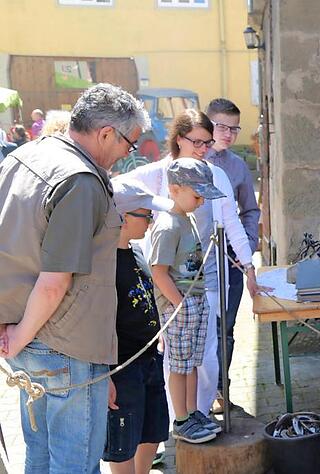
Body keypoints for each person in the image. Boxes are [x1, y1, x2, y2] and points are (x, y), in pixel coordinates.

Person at [0, 83, 148, 473]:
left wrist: (14, 332)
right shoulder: (80, 179)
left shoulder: (26, 155)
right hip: (60, 342)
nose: (124, 156)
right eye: (129, 144)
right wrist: (18, 336)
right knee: (73, 465)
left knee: (40, 457)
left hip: (28, 336)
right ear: (105, 134)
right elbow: (54, 281)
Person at [121, 109, 259, 417]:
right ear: (178, 139)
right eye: (196, 141)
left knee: (206, 357)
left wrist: (249, 267)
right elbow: (116, 190)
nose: (203, 149)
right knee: (174, 357)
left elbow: (232, 224)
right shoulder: (157, 173)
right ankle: (179, 418)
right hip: (170, 286)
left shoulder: (215, 174)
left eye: (207, 143)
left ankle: (200, 413)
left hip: (208, 280)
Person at [148, 158, 225, 444]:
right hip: (180, 304)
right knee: (179, 365)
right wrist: (178, 303)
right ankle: (180, 419)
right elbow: (158, 272)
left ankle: (193, 413)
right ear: (174, 189)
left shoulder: (187, 219)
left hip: (196, 298)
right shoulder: (168, 225)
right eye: (196, 195)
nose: (201, 201)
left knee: (192, 362)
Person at [104, 179, 174, 473]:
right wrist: (104, 374)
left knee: (152, 431)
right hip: (122, 367)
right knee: (123, 442)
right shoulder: (103, 263)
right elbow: (98, 322)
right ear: (122, 217)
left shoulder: (137, 251)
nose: (150, 220)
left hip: (149, 358)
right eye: (145, 214)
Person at [204, 98, 261, 413]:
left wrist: (248, 245)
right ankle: (195, 397)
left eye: (234, 128)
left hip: (232, 258)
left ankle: (220, 391)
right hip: (198, 261)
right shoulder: (192, 160)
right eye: (221, 126)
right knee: (202, 328)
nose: (227, 134)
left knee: (226, 328)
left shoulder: (238, 166)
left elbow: (249, 210)